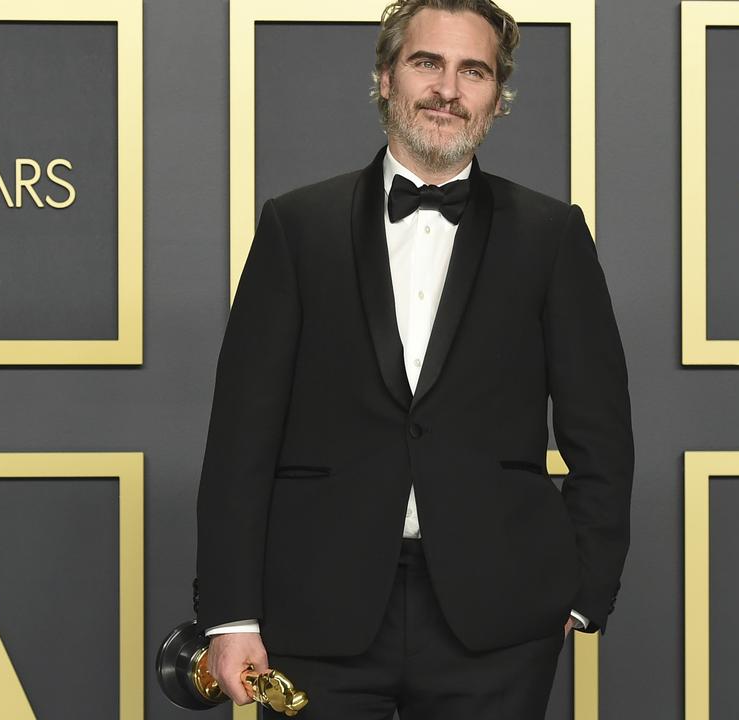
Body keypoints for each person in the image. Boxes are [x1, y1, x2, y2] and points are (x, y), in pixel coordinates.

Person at [195, 0, 633, 716]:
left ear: (498, 95)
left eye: (474, 71)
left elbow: (602, 434)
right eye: (427, 62)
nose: (448, 89)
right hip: (315, 612)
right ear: (385, 77)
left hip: (500, 621)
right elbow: (240, 439)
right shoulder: (295, 227)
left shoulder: (552, 237)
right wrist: (231, 614)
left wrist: (584, 591)